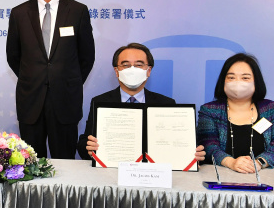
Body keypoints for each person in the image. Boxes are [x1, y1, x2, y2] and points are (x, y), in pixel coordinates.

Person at [6, 0, 95, 159]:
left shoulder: (78, 11)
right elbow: (13, 56)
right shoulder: (19, 13)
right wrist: (33, 77)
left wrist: (66, 80)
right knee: (29, 163)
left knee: (65, 162)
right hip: (31, 101)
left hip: (65, 100)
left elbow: (86, 56)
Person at [77, 42, 205, 161]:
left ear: (148, 71)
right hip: (112, 173)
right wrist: (89, 148)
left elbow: (178, 144)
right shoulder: (100, 102)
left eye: (139, 65)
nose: (132, 70)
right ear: (117, 71)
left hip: (154, 175)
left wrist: (193, 154)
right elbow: (84, 144)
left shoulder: (166, 104)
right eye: (126, 65)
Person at [198, 53, 274, 173]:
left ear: (256, 81)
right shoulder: (209, 110)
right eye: (231, 77)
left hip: (267, 179)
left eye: (245, 78)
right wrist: (231, 162)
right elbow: (208, 144)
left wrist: (259, 163)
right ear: (223, 81)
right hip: (222, 178)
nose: (237, 82)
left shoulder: (273, 109)